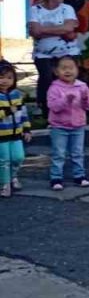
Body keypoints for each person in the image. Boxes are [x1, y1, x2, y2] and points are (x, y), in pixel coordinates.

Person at [28, 0, 80, 116]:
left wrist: (43, 29)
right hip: (43, 53)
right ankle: (46, 109)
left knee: (67, 78)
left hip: (67, 52)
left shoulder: (67, 9)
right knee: (46, 79)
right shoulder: (35, 10)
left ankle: (70, 108)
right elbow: (35, 32)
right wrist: (60, 30)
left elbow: (69, 29)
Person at [47, 55, 89, 190]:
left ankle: (79, 176)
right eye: (63, 68)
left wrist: (85, 99)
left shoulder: (82, 86)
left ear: (77, 70)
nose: (68, 71)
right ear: (56, 71)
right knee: (59, 153)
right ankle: (56, 177)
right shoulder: (54, 88)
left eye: (71, 68)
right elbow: (53, 107)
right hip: (59, 126)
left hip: (78, 126)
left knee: (78, 152)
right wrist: (65, 100)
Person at [0, 60, 31, 198]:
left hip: (16, 133)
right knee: (4, 160)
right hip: (1, 135)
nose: (5, 81)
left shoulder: (17, 95)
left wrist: (26, 129)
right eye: (1, 77)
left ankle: (13, 177)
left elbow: (23, 114)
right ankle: (4, 184)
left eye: (9, 77)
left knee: (18, 157)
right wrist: (6, 112)